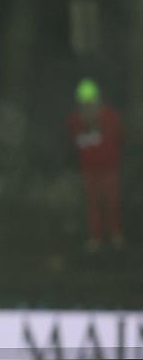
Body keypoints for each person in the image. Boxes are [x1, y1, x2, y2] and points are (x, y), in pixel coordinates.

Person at [65, 78, 125, 251]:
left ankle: (116, 235)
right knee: (93, 203)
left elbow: (120, 136)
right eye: (85, 103)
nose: (88, 106)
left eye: (91, 102)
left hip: (109, 168)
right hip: (89, 170)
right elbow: (74, 141)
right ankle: (95, 237)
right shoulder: (76, 120)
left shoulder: (110, 117)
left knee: (111, 202)